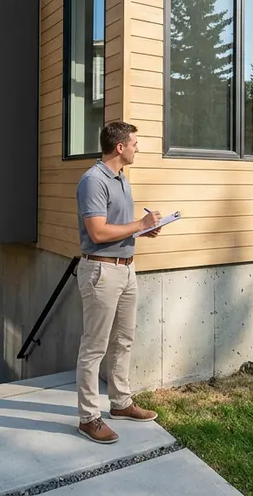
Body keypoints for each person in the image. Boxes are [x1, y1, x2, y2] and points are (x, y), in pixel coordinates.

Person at [74, 121, 161, 444]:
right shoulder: (93, 181)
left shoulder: (122, 179)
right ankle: (88, 417)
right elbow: (97, 232)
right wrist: (138, 223)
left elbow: (119, 227)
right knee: (94, 346)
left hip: (126, 269)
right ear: (120, 147)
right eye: (135, 143)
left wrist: (142, 230)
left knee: (124, 339)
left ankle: (120, 403)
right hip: (101, 272)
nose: (139, 148)